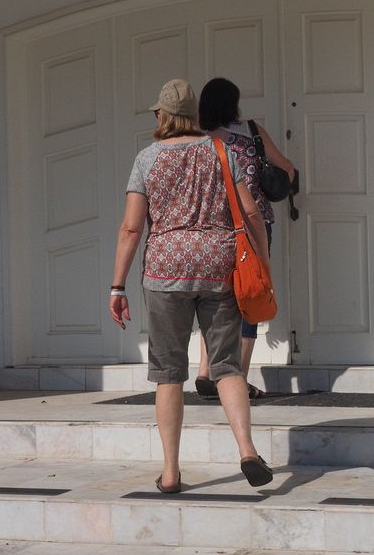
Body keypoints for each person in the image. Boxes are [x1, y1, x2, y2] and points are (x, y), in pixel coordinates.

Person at [109, 79, 273, 491]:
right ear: (195, 115)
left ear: (163, 115)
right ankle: (247, 451)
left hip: (165, 273)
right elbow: (251, 213)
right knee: (227, 366)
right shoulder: (221, 151)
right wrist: (263, 263)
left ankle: (170, 472)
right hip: (218, 266)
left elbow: (131, 229)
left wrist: (117, 286)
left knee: (169, 374)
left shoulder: (146, 159)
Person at [194, 77, 296, 399]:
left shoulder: (199, 142)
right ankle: (237, 378)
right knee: (250, 296)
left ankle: (204, 371)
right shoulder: (252, 132)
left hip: (212, 229)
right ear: (233, 104)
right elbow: (287, 170)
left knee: (214, 301)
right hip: (252, 227)